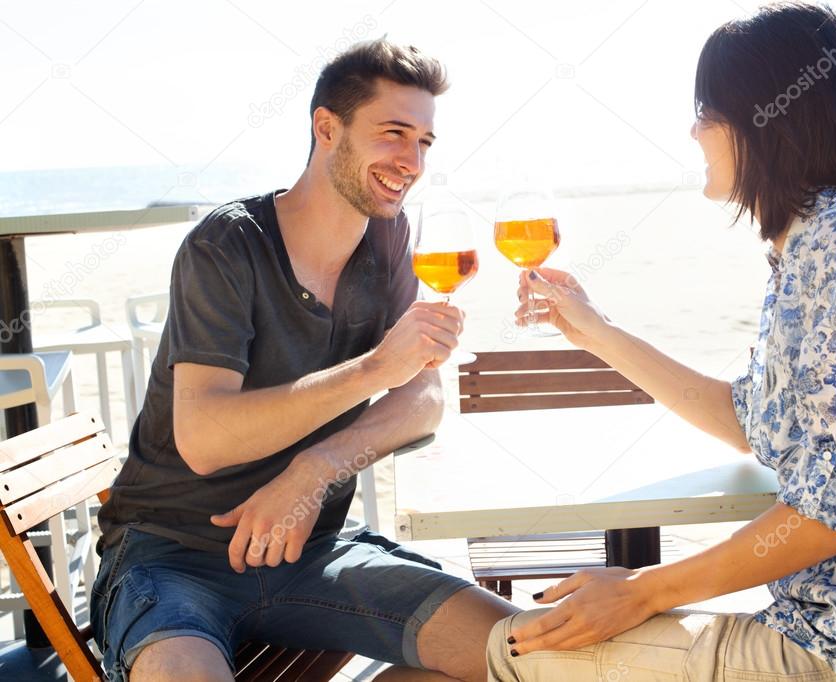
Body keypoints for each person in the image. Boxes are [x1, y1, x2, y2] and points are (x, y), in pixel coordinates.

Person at [486, 4, 836, 681]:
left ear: (767, 120)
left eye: (706, 108)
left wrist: (641, 590)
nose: (692, 128)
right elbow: (748, 422)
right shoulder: (827, 239)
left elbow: (833, 513)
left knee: (504, 648)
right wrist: (594, 330)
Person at [92, 39, 517, 682]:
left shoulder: (391, 236)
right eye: (394, 133)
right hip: (171, 556)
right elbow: (204, 438)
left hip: (314, 551)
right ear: (327, 128)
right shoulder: (227, 245)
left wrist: (316, 468)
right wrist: (375, 368)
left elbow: (426, 398)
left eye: (425, 142)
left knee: (521, 654)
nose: (411, 161)